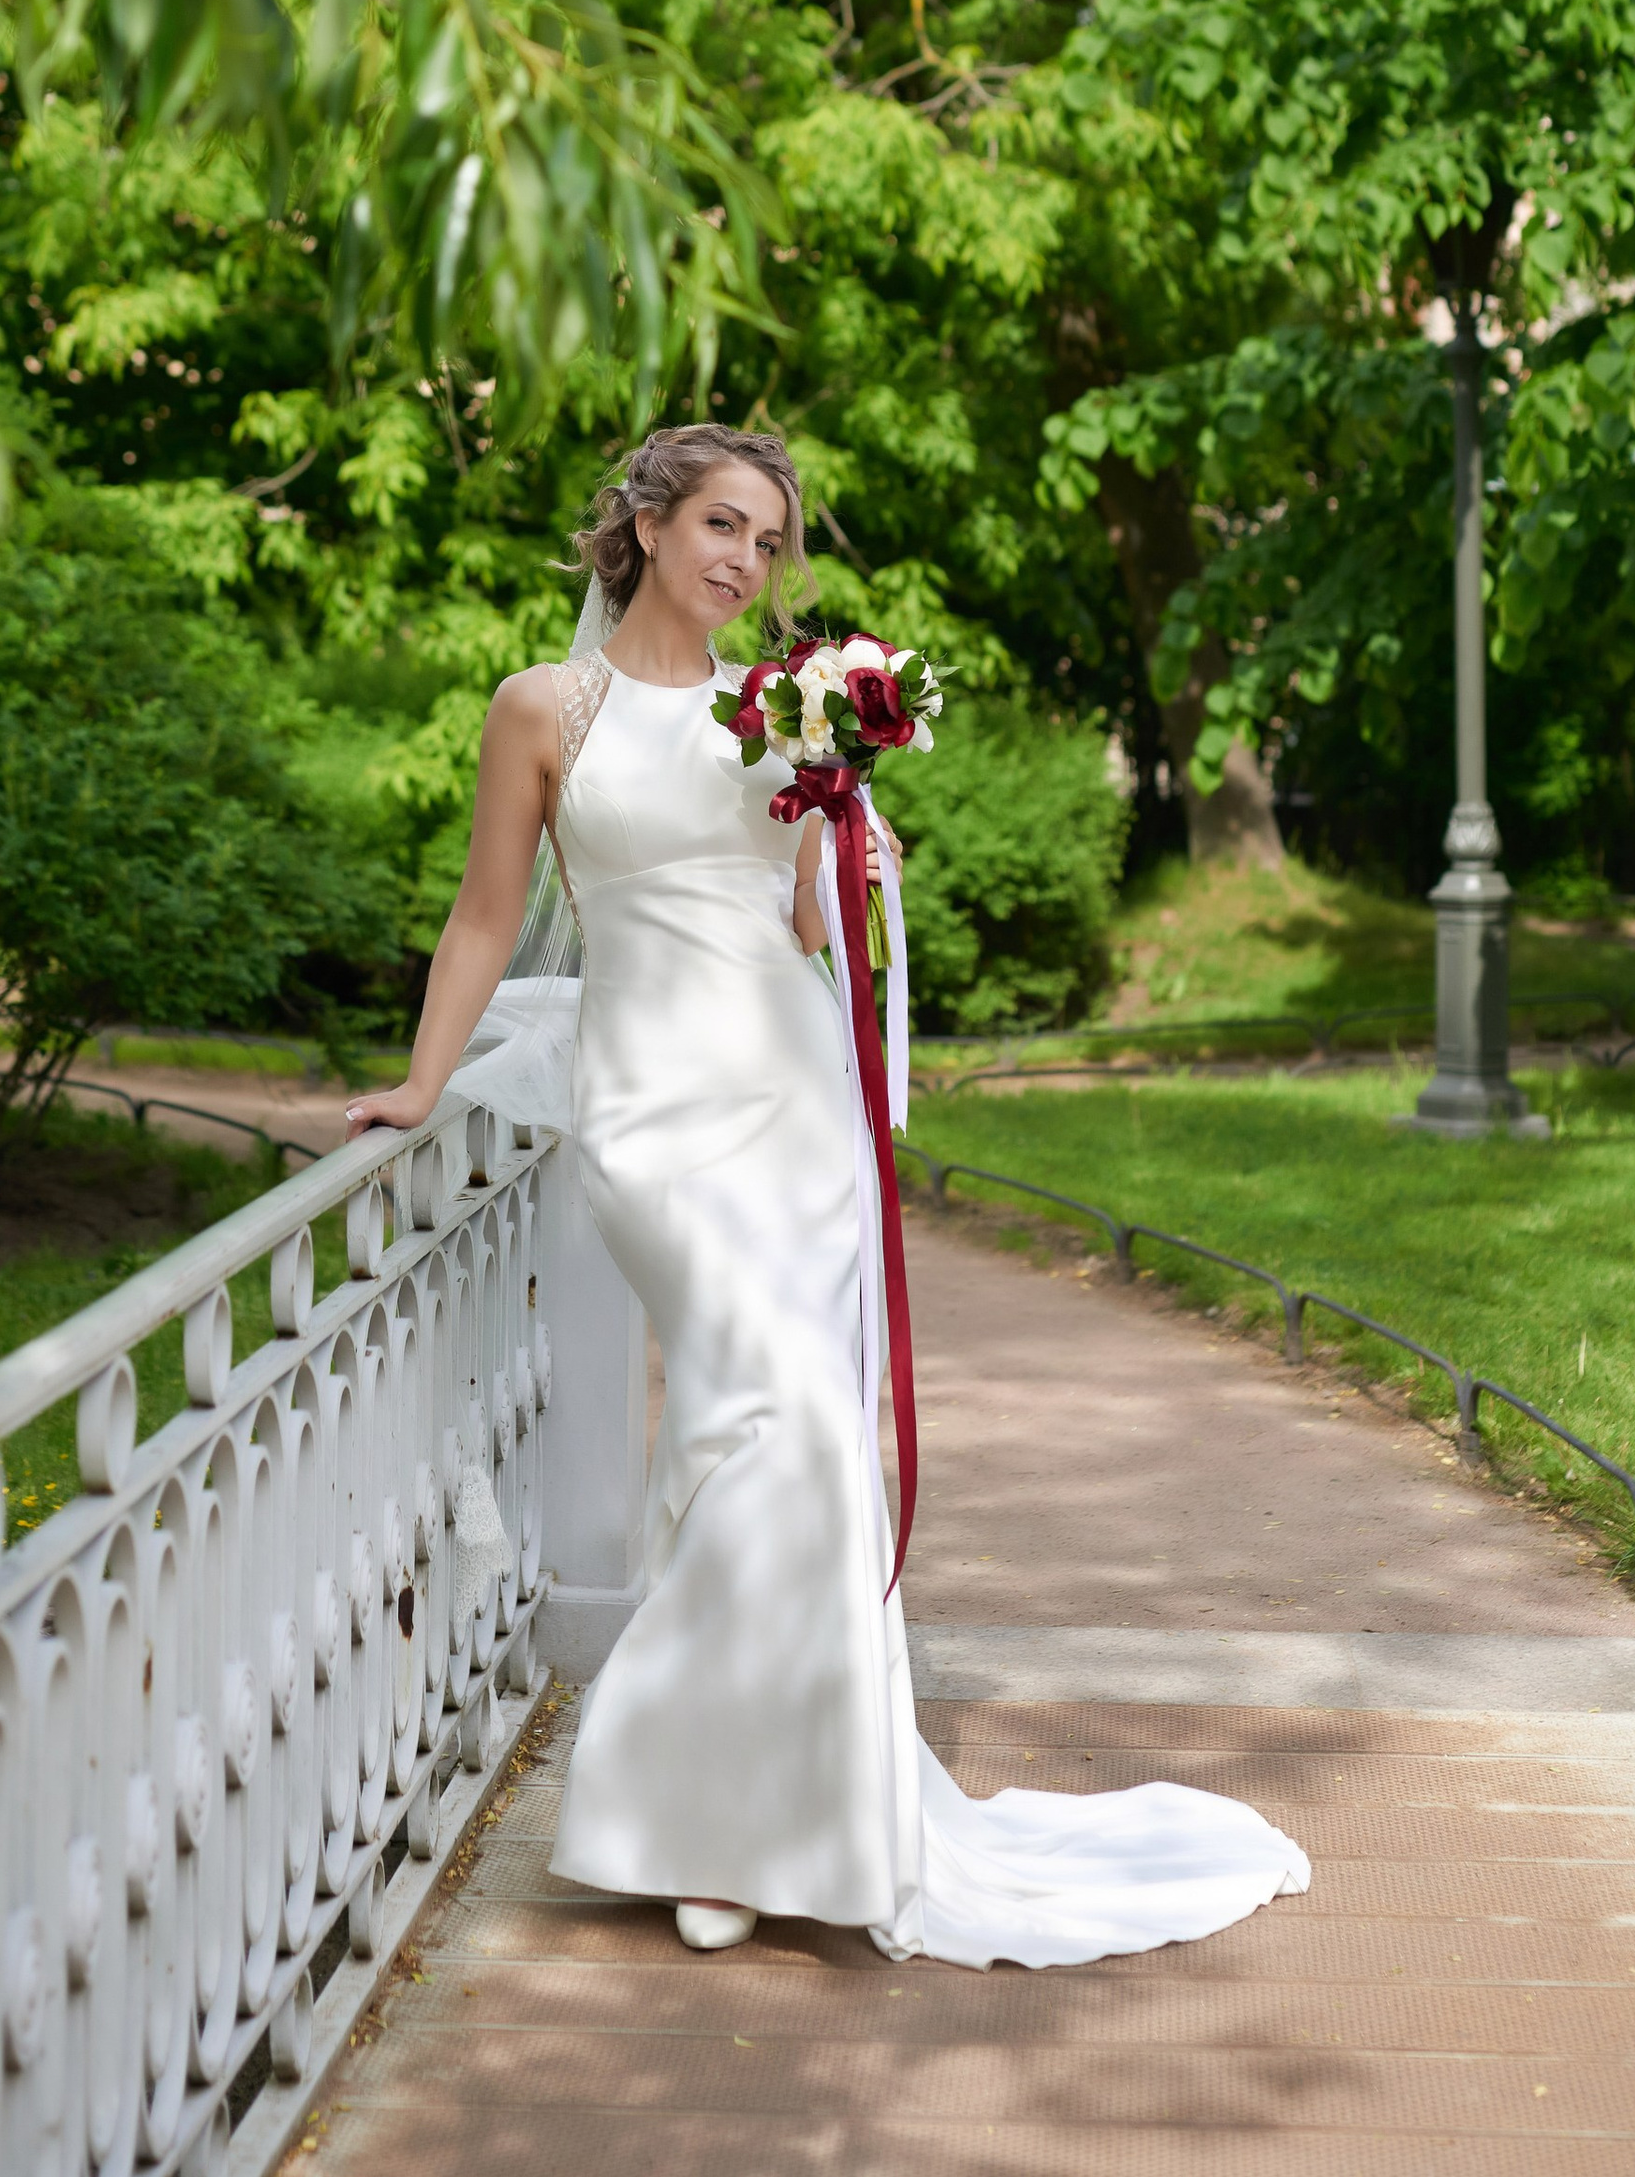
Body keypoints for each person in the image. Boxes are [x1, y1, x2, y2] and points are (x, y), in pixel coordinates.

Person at [346, 423, 1310, 1967]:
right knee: (757, 1418)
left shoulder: (779, 712)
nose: (745, 560)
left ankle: (747, 1823)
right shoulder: (544, 708)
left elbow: (809, 925)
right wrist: (417, 1081)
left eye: (769, 541)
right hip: (653, 1118)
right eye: (722, 524)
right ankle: (718, 1810)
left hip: (794, 1100)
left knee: (786, 1433)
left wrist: (846, 820)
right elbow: (484, 915)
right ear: (648, 524)